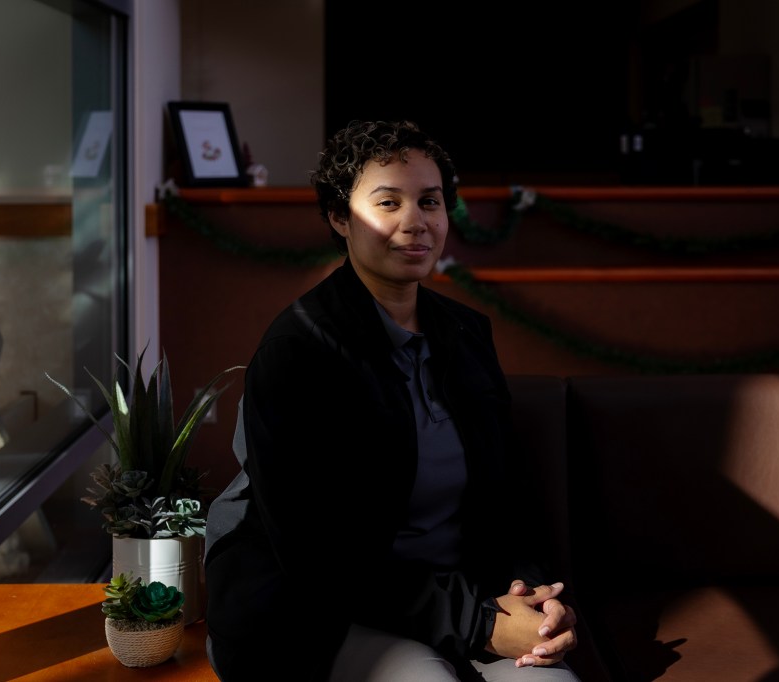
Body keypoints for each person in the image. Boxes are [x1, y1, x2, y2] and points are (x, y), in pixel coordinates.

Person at [204, 120, 580, 682]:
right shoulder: (296, 352)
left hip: (462, 597)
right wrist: (479, 625)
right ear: (340, 217)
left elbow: (508, 498)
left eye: (430, 201)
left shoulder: (466, 333)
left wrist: (536, 600)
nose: (415, 221)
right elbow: (317, 557)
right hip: (322, 610)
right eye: (387, 202)